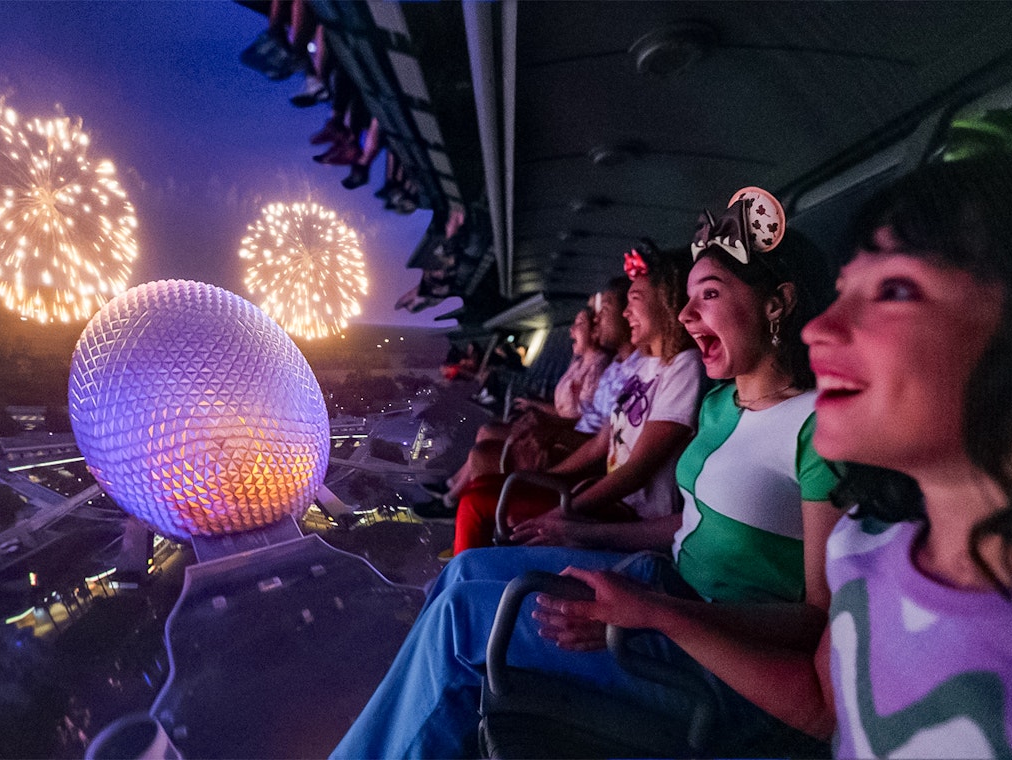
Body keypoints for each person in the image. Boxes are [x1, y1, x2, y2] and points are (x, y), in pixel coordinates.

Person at [556, 154, 1012, 758]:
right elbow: (829, 709)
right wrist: (661, 612)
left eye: (895, 289)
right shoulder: (861, 553)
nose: (820, 327)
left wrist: (660, 612)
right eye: (846, 289)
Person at [330, 188, 842, 759]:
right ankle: (414, 711)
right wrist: (583, 531)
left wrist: (659, 616)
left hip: (716, 651)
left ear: (778, 304)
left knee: (460, 623)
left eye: (711, 294)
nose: (687, 314)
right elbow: (683, 526)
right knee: (468, 569)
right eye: (688, 298)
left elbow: (817, 621)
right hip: (660, 582)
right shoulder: (722, 404)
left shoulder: (819, 431)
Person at [456, 243, 703, 552]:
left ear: (665, 303)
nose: (627, 313)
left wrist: (566, 511)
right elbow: (601, 443)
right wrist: (542, 477)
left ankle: (469, 572)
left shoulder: (685, 367)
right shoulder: (646, 367)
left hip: (632, 515)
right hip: (607, 498)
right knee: (483, 487)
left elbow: (637, 470)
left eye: (634, 301)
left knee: (478, 504)